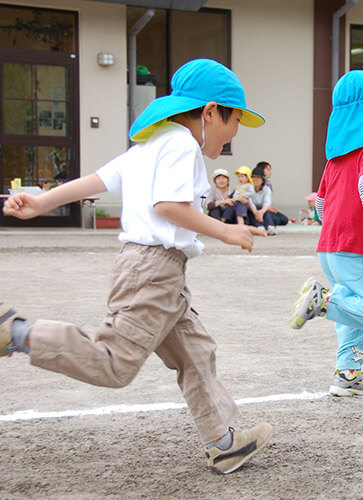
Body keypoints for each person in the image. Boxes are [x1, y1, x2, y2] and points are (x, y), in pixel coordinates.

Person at [0, 59, 272, 474]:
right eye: (235, 120)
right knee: (115, 362)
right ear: (211, 111)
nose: (235, 131)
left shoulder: (150, 145)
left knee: (196, 353)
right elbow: (168, 206)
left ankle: (224, 443)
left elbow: (96, 180)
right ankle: (15, 333)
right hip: (154, 270)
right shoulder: (181, 144)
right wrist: (225, 231)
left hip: (156, 271)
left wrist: (42, 201)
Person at [288, 70, 363, 397]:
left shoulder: (335, 159)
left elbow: (321, 202)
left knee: (353, 314)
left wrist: (333, 227)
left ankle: (348, 373)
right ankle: (321, 302)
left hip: (330, 248)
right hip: (354, 248)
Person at [246, 165, 277, 235]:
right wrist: (256, 213)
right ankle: (259, 226)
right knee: (252, 211)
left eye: (258, 178)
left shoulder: (266, 189)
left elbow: (267, 202)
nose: (255, 180)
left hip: (262, 211)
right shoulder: (247, 189)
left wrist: (261, 212)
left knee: (281, 219)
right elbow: (250, 203)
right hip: (251, 210)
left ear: (263, 180)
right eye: (253, 178)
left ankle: (270, 226)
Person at [258, 161, 289, 227]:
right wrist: (268, 209)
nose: (270, 172)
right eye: (268, 170)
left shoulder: (268, 183)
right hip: (261, 209)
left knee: (284, 220)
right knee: (276, 220)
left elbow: (269, 199)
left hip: (268, 209)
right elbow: (258, 202)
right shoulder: (258, 184)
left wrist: (271, 208)